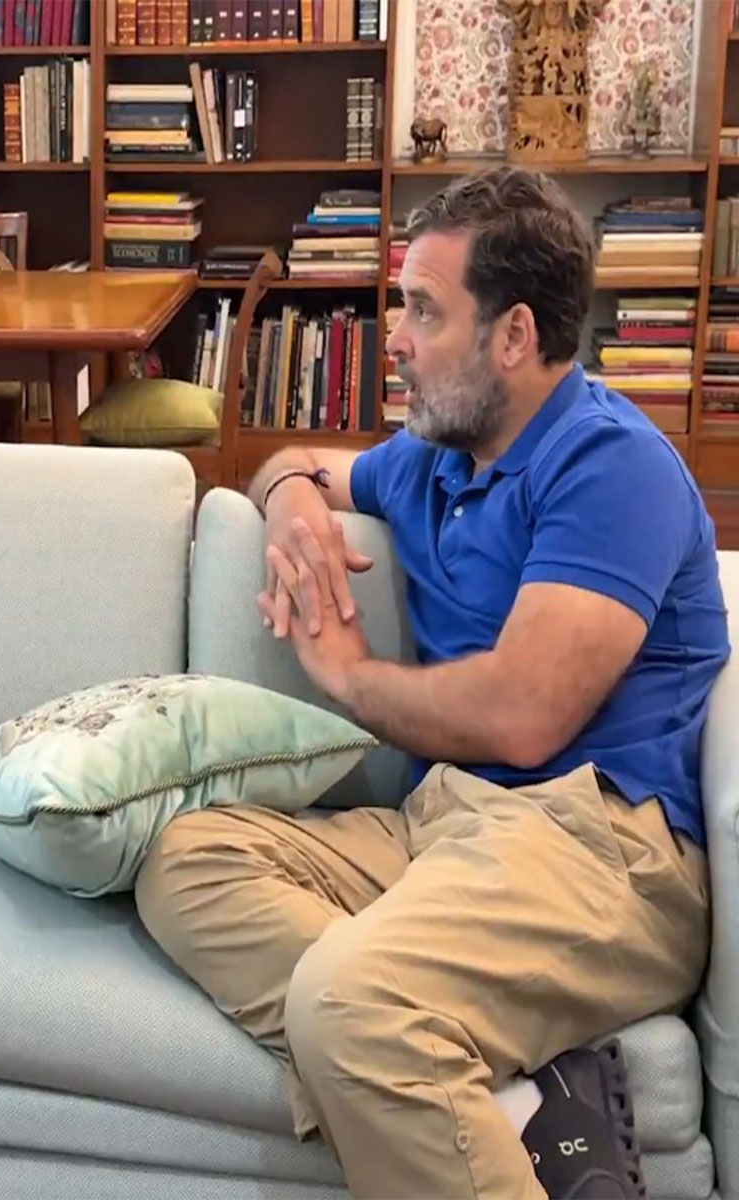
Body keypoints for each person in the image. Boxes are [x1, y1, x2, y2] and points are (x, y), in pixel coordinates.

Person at [136, 165, 728, 1199]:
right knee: (183, 860)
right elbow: (295, 461)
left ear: (513, 336)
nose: (395, 340)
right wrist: (294, 510)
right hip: (446, 824)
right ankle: (494, 1089)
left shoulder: (609, 462)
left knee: (348, 1001)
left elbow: (522, 716)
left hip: (600, 847)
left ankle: (387, 1032)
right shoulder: (433, 460)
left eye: (422, 310)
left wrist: (351, 677)